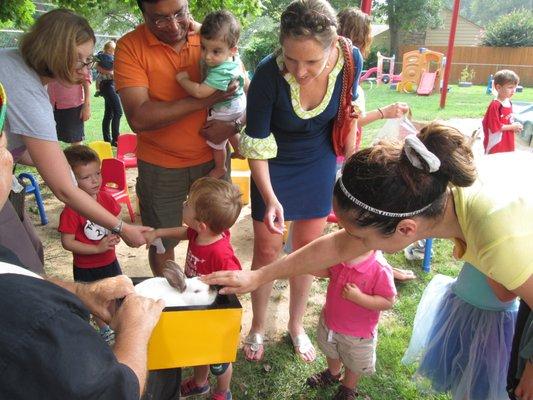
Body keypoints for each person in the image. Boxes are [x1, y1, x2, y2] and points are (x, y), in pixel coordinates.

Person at [203, 122, 533, 399]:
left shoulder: (498, 238)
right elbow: (335, 247)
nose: (350, 242)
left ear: (406, 229)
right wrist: (260, 276)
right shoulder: (442, 194)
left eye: (359, 237)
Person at [0, 81, 164, 400]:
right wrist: (135, 331)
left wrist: (80, 292)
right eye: (1, 142)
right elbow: (113, 391)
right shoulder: (36, 324)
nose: (10, 156)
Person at [235, 0, 362, 363]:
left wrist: (350, 163)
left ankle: (295, 325)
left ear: (333, 44)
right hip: (272, 166)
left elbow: (347, 115)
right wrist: (270, 197)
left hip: (318, 162)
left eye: (311, 61)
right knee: (267, 250)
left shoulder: (350, 60)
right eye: (291, 59)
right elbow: (256, 146)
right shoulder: (266, 75)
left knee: (306, 252)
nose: (300, 71)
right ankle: (257, 325)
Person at [0, 9, 149, 277]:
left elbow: (22, 150)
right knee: (24, 270)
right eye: (78, 60)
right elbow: (65, 190)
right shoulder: (27, 90)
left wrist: (65, 163)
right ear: (53, 53)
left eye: (88, 59)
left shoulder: (16, 65)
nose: (85, 69)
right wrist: (122, 228)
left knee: (33, 249)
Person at [115, 0, 239, 278]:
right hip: (160, 166)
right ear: (143, 12)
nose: (174, 26)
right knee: (161, 241)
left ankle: (216, 295)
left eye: (180, 13)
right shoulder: (129, 47)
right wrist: (204, 100)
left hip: (212, 160)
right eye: (160, 19)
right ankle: (168, 301)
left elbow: (242, 91)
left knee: (218, 234)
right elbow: (139, 117)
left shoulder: (211, 35)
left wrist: (233, 125)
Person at [143, 177, 242, 400]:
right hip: (196, 306)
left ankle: (222, 391)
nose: (183, 204)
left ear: (202, 225)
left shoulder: (220, 252)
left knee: (217, 357)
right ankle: (199, 383)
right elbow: (183, 232)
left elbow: (237, 276)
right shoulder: (198, 233)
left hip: (214, 312)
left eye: (187, 204)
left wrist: (219, 284)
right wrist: (159, 232)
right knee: (199, 348)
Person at [402, 262, 518, 399]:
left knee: (477, 381)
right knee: (457, 369)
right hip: (460, 309)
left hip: (492, 323)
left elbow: (505, 295)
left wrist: (486, 257)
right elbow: (458, 253)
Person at [306, 250, 396, 400]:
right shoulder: (340, 253)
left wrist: (359, 298)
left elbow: (388, 301)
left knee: (354, 364)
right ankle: (333, 374)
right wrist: (305, 265)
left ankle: (348, 388)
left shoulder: (379, 268)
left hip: (358, 335)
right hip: (330, 323)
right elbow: (328, 271)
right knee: (331, 352)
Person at [59, 145, 123, 344]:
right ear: (71, 181)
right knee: (93, 298)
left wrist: (115, 233)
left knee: (114, 294)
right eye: (86, 177)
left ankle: (116, 323)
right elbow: (67, 242)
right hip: (86, 267)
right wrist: (96, 248)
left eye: (98, 173)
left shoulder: (106, 197)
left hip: (109, 261)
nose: (95, 180)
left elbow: (117, 216)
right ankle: (104, 328)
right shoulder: (71, 210)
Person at [176, 10, 246, 179]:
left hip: (226, 110)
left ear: (232, 49)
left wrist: (183, 80)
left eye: (216, 52)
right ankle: (239, 149)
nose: (207, 56)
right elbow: (214, 37)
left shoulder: (220, 72)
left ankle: (220, 167)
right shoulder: (231, 57)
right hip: (238, 104)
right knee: (230, 131)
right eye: (204, 48)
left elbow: (200, 92)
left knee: (217, 142)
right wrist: (198, 27)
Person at [482, 69, 523, 154]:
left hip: (507, 140)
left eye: (515, 87)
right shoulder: (495, 105)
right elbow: (495, 127)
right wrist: (512, 127)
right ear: (498, 87)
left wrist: (515, 126)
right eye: (510, 87)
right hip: (496, 143)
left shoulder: (508, 102)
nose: (513, 90)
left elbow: (508, 121)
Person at [47, 72, 91, 146]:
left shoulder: (75, 61)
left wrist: (87, 105)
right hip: (50, 105)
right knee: (49, 139)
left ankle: (78, 158)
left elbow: (85, 79)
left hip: (72, 106)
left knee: (76, 141)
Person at [95, 40, 123, 146]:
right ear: (110, 50)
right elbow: (107, 70)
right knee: (118, 112)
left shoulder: (102, 58)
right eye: (114, 50)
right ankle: (116, 139)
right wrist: (110, 72)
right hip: (108, 85)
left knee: (109, 114)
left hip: (107, 85)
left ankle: (107, 140)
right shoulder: (107, 59)